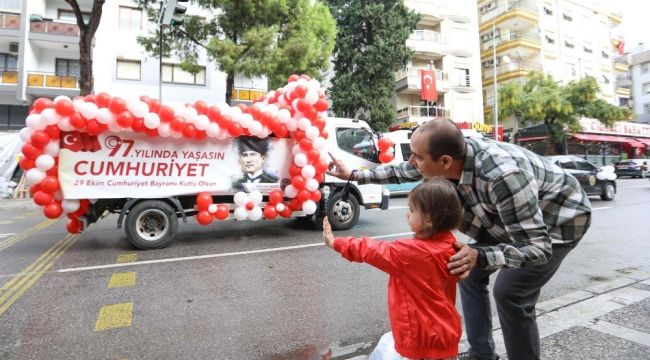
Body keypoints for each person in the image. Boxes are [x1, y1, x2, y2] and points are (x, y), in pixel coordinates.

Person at [327, 119, 592, 360]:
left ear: (444, 162)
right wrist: (352, 174)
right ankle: (482, 354)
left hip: (557, 220)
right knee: (465, 268)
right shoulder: (449, 158)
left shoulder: (502, 176)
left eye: (417, 157)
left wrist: (481, 255)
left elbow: (537, 247)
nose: (412, 163)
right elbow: (405, 172)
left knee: (510, 294)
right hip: (502, 218)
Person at [323, 179, 462, 360]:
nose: (407, 215)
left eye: (412, 210)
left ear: (429, 220)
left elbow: (371, 250)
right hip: (446, 335)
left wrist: (335, 242)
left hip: (420, 341)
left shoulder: (411, 253)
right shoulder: (452, 245)